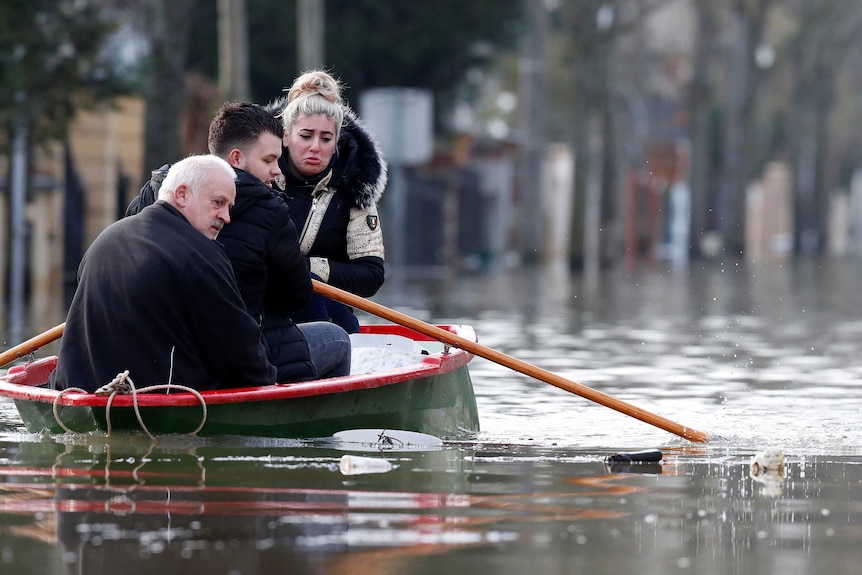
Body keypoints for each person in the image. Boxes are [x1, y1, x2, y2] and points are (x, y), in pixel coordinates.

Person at [126, 102, 351, 382]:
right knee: (338, 339)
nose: (277, 171)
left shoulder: (157, 191)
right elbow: (296, 296)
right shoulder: (269, 209)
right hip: (236, 355)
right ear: (236, 159)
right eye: (268, 160)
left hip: (154, 353)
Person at [50, 155, 277, 392]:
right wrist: (270, 380)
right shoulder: (201, 256)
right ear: (181, 195)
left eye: (230, 207)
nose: (226, 217)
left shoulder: (104, 239)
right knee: (320, 335)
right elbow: (243, 356)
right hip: (155, 399)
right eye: (218, 202)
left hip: (77, 393)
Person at [265, 70, 387, 333]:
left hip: (329, 318)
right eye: (306, 136)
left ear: (337, 141)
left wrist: (307, 269)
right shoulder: (258, 177)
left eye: (326, 138)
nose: (315, 147)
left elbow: (371, 276)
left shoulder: (356, 189)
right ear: (286, 136)